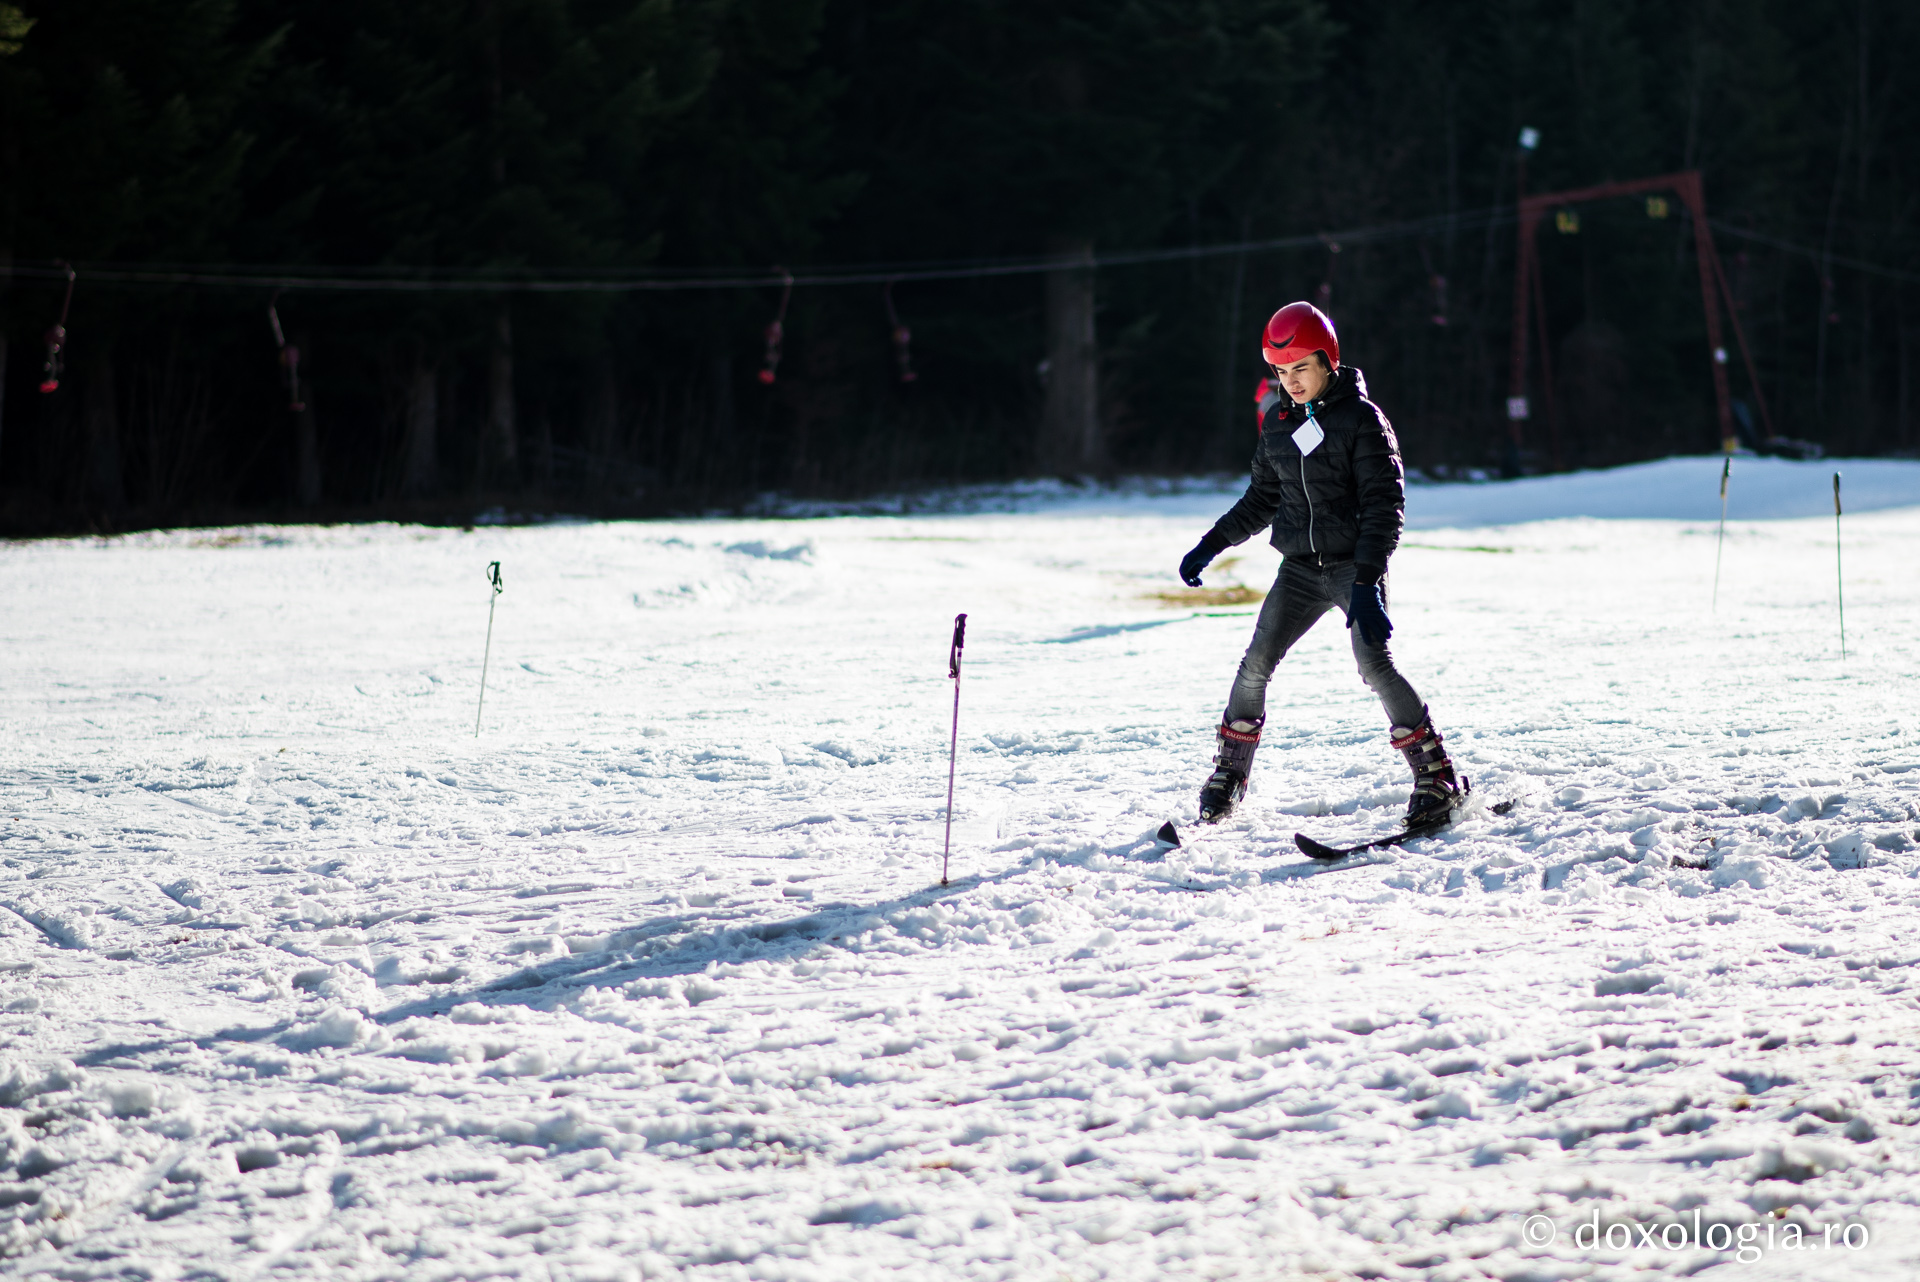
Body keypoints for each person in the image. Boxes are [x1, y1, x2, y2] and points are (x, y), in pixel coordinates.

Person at [1177, 301, 1464, 827]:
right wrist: (1212, 543)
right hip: (1299, 570)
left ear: (1328, 359)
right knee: (1255, 664)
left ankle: (1436, 776)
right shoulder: (1278, 423)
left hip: (1353, 567)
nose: (1292, 382)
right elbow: (1263, 497)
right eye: (1281, 372)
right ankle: (1228, 774)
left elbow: (1384, 505)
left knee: (1374, 665)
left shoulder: (1362, 420)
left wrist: (1368, 581)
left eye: (1301, 368)